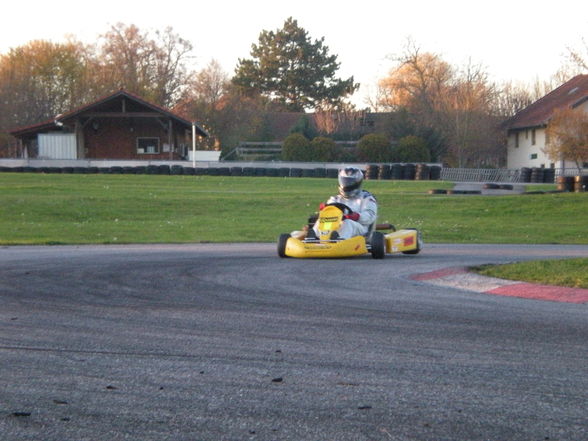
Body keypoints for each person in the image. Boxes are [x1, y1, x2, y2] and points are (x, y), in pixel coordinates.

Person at [307, 167, 378, 240]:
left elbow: (370, 217)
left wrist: (356, 216)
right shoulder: (335, 199)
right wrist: (324, 209)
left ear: (357, 183)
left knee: (347, 223)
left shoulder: (366, 198)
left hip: (360, 229)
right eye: (345, 181)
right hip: (336, 226)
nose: (347, 184)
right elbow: (328, 212)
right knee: (322, 220)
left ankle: (340, 241)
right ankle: (313, 239)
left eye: (350, 182)